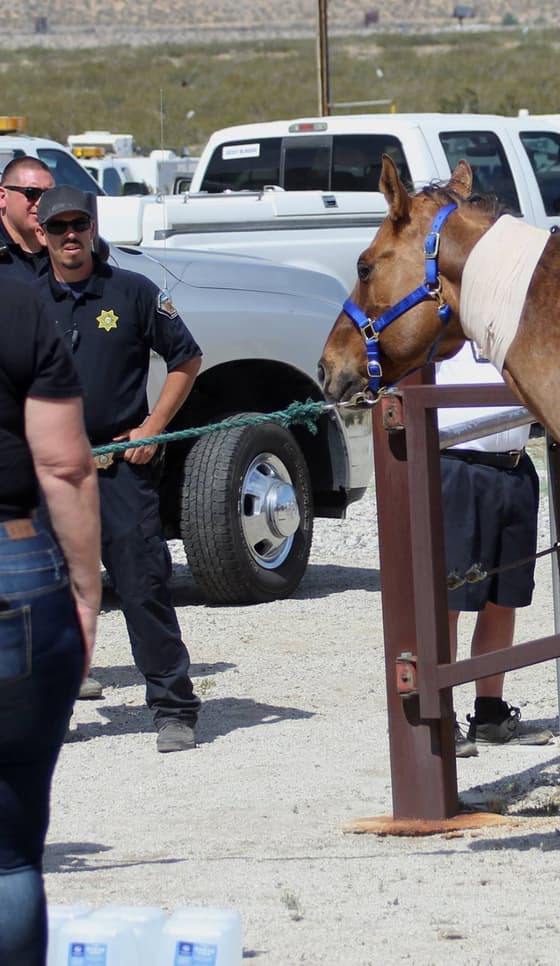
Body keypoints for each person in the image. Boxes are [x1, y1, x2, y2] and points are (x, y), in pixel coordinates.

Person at [30, 186, 203, 753]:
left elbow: (186, 358)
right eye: (59, 227)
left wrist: (153, 426)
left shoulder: (132, 291)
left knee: (142, 586)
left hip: (118, 467)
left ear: (93, 229)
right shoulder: (22, 299)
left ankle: (173, 708)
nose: (70, 235)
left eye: (79, 225)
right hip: (47, 473)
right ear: (43, 235)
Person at [0, 279, 101, 965]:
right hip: (12, 559)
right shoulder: (15, 303)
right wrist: (87, 594)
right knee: (9, 856)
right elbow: (63, 465)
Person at [435, 347, 553, 757]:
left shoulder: (510, 324)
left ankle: (490, 715)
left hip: (514, 468)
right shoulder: (446, 327)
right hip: (457, 466)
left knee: (504, 599)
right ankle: (440, 717)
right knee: (448, 601)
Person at [0, 157, 55, 282]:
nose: (41, 202)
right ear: (2, 197)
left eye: (49, 195)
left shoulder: (64, 246)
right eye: (31, 193)